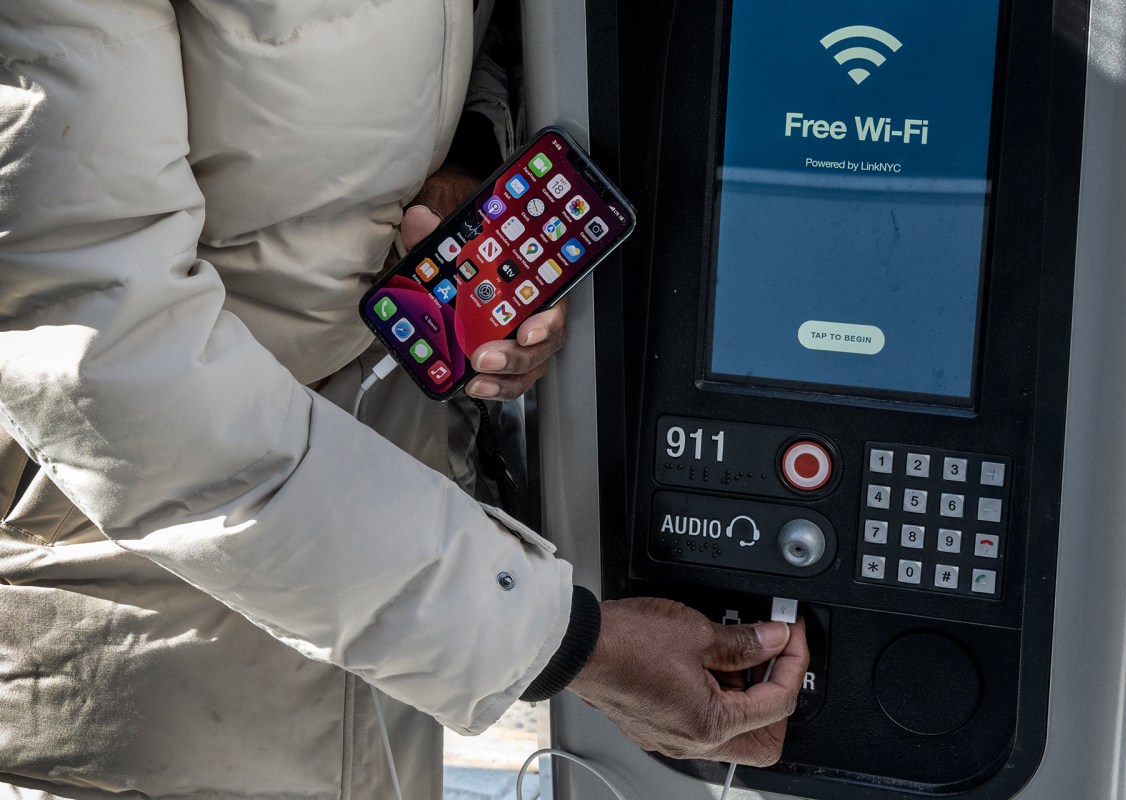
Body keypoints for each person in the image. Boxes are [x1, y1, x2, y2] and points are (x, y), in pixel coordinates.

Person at [0, 1, 809, 797]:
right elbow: (106, 362)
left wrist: (461, 166)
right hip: (145, 648)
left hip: (401, 608)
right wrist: (555, 641)